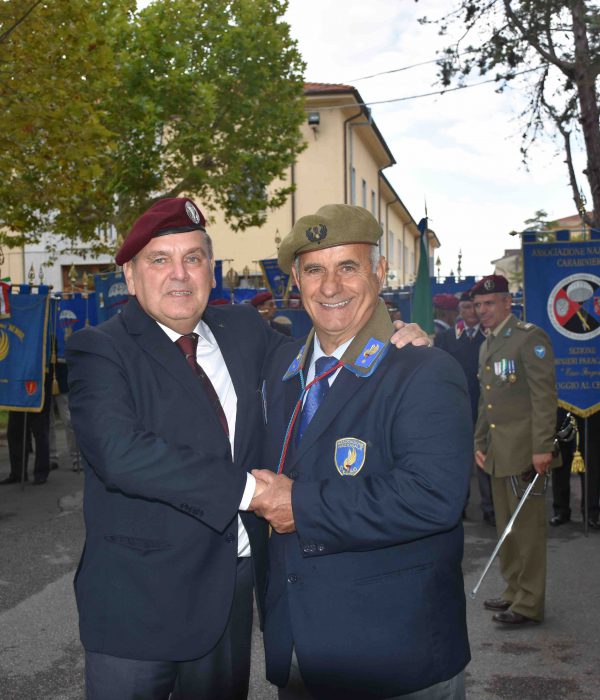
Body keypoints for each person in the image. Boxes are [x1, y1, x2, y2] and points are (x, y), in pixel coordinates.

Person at [66, 197, 429, 700]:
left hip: (228, 595)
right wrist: (253, 493)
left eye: (193, 258)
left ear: (210, 271)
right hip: (137, 605)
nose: (179, 274)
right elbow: (120, 453)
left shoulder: (242, 330)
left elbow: (325, 358)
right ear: (130, 276)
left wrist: (392, 340)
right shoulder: (100, 348)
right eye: (160, 260)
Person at [250, 204, 473, 700]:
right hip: (300, 651)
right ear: (296, 280)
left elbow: (434, 497)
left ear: (380, 271)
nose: (330, 287)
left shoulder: (422, 369)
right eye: (314, 270)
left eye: (347, 267)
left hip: (395, 656)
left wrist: (301, 506)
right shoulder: (280, 367)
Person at [473, 274, 558, 626]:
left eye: (489, 303)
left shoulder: (528, 338)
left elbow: (544, 396)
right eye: (478, 305)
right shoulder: (488, 344)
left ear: (508, 302)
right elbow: (487, 402)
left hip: (524, 452)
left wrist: (542, 447)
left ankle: (529, 603)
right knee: (506, 528)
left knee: (527, 530)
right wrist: (479, 441)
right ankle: (513, 589)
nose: (483, 310)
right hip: (498, 452)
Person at [436, 290, 494, 525]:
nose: (472, 312)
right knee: (459, 461)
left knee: (484, 458)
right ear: (459, 311)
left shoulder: (490, 336)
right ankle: (458, 506)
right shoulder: (446, 338)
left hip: (484, 407)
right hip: (456, 408)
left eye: (474, 307)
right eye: (466, 307)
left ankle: (490, 508)